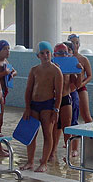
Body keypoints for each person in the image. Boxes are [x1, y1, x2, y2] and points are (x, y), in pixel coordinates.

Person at [21, 41, 63, 172]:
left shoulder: (56, 71)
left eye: (47, 53)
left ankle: (43, 163)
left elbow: (59, 93)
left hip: (47, 105)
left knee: (47, 133)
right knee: (31, 135)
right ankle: (30, 161)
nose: (45, 56)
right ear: (38, 56)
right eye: (42, 53)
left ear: (51, 54)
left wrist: (56, 110)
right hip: (34, 105)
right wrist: (27, 107)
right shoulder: (34, 70)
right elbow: (28, 90)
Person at [49, 43, 82, 161]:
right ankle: (52, 151)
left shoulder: (69, 67)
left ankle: (68, 152)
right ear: (55, 54)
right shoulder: (51, 66)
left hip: (65, 98)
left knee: (66, 127)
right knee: (53, 127)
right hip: (53, 100)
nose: (63, 55)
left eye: (65, 53)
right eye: (60, 53)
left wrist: (80, 72)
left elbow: (78, 85)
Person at [0, 40, 17, 157]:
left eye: (8, 48)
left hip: (4, 93)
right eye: (5, 49)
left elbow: (14, 70)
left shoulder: (5, 61)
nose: (8, 51)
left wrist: (12, 73)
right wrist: (4, 73)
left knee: (0, 121)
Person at [68, 34, 93, 123]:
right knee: (69, 116)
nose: (75, 45)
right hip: (69, 88)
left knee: (86, 115)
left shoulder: (83, 59)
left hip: (80, 87)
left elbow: (90, 76)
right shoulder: (65, 58)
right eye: (72, 43)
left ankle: (92, 135)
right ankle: (73, 135)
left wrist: (82, 84)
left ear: (79, 44)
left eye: (77, 43)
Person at [64, 41, 81, 158]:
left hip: (72, 95)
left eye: (68, 51)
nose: (66, 54)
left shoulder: (73, 63)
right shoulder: (58, 64)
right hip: (62, 97)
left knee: (73, 123)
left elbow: (78, 84)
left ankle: (74, 148)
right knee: (60, 126)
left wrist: (79, 72)